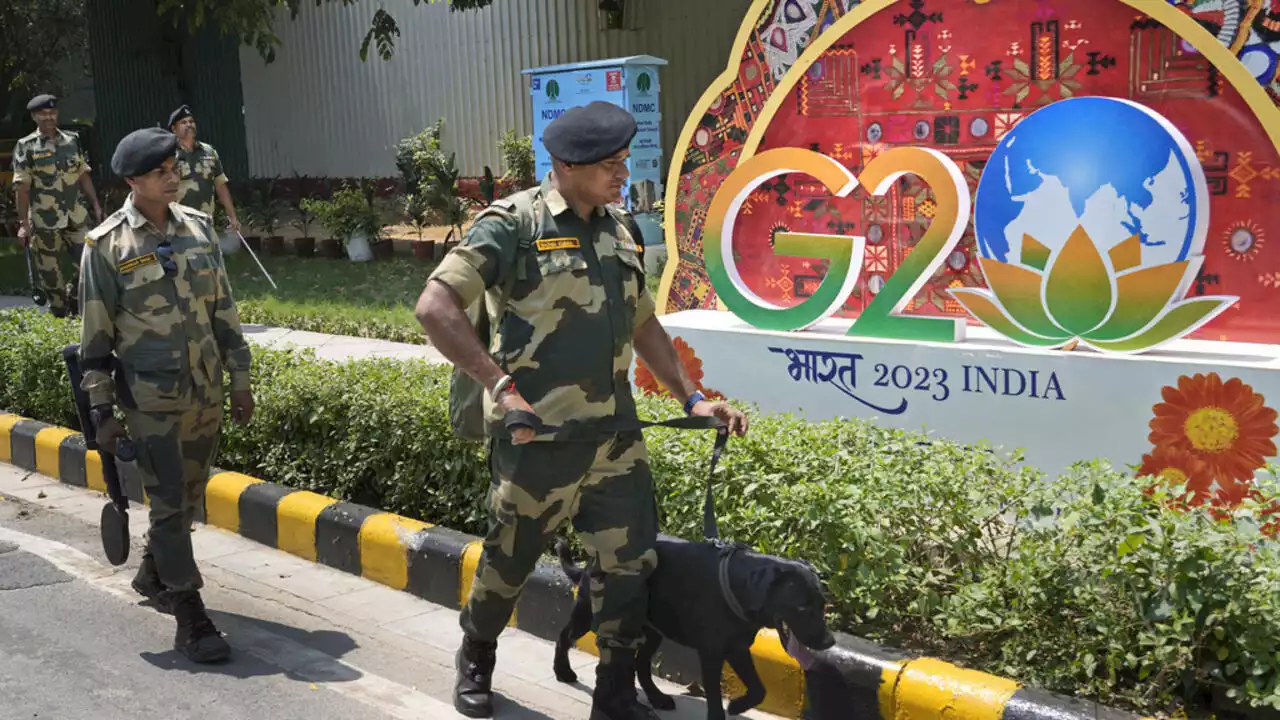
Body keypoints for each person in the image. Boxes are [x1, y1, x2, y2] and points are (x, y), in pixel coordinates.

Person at [415, 101, 749, 720]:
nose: (623, 173)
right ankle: (477, 652)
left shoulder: (621, 228)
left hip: (615, 437)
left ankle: (616, 688)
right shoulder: (512, 224)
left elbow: (645, 321)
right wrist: (498, 384)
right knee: (510, 558)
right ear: (566, 166)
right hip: (536, 438)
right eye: (610, 164)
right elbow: (435, 306)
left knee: (628, 564)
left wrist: (692, 398)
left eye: (625, 161)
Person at [78, 126, 255, 664]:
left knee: (191, 497)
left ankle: (155, 572)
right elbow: (95, 338)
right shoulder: (107, 246)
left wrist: (240, 377)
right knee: (171, 503)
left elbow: (223, 310)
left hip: (205, 391)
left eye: (174, 167)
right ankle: (189, 615)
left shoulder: (198, 230)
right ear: (134, 181)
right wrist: (102, 410)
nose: (173, 176)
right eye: (160, 172)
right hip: (150, 400)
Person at [12, 93, 104, 317]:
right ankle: (60, 316)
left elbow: (83, 174)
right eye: (43, 114)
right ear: (34, 117)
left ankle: (75, 300)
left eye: (52, 112)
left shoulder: (72, 140)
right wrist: (24, 223)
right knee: (51, 276)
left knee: (90, 263)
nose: (49, 117)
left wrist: (95, 203)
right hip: (45, 220)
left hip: (77, 216)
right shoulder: (27, 146)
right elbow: (22, 188)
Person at [167, 104, 241, 232]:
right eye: (183, 122)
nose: (189, 125)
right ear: (174, 129)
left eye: (191, 121)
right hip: (178, 222)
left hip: (205, 221)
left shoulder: (209, 152)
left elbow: (221, 186)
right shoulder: (169, 155)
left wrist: (232, 217)